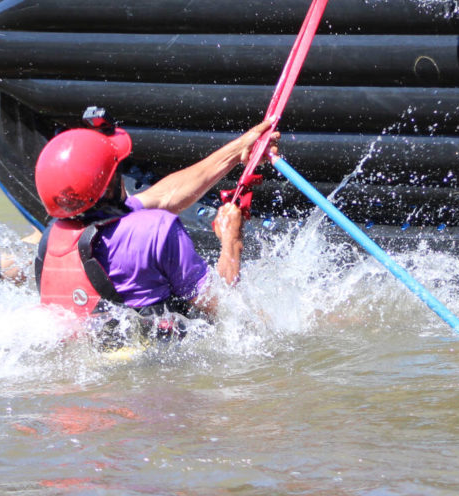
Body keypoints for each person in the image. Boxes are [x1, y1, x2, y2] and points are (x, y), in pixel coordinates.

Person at [33, 113, 277, 342]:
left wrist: (238, 149)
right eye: (116, 168)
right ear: (108, 186)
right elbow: (228, 311)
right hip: (161, 373)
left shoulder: (51, 238)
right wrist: (231, 241)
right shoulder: (157, 230)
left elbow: (163, 196)